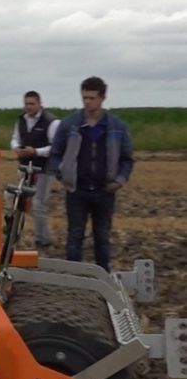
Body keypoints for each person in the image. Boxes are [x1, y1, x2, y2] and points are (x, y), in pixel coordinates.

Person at [48, 76, 134, 271]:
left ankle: (103, 277)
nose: (87, 102)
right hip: (77, 191)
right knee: (75, 236)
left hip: (105, 191)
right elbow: (55, 154)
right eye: (84, 97)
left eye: (92, 98)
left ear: (102, 98)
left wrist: (119, 181)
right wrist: (63, 177)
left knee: (102, 237)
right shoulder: (69, 125)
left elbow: (127, 159)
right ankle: (74, 279)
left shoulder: (117, 126)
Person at [10, 90, 61, 251]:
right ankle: (16, 236)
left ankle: (42, 240)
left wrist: (36, 152)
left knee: (38, 204)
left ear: (40, 104)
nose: (29, 107)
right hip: (25, 167)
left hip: (43, 169)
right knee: (18, 201)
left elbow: (56, 147)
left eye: (32, 103)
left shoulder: (52, 122)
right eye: (26, 104)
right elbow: (15, 138)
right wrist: (16, 148)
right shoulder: (21, 120)